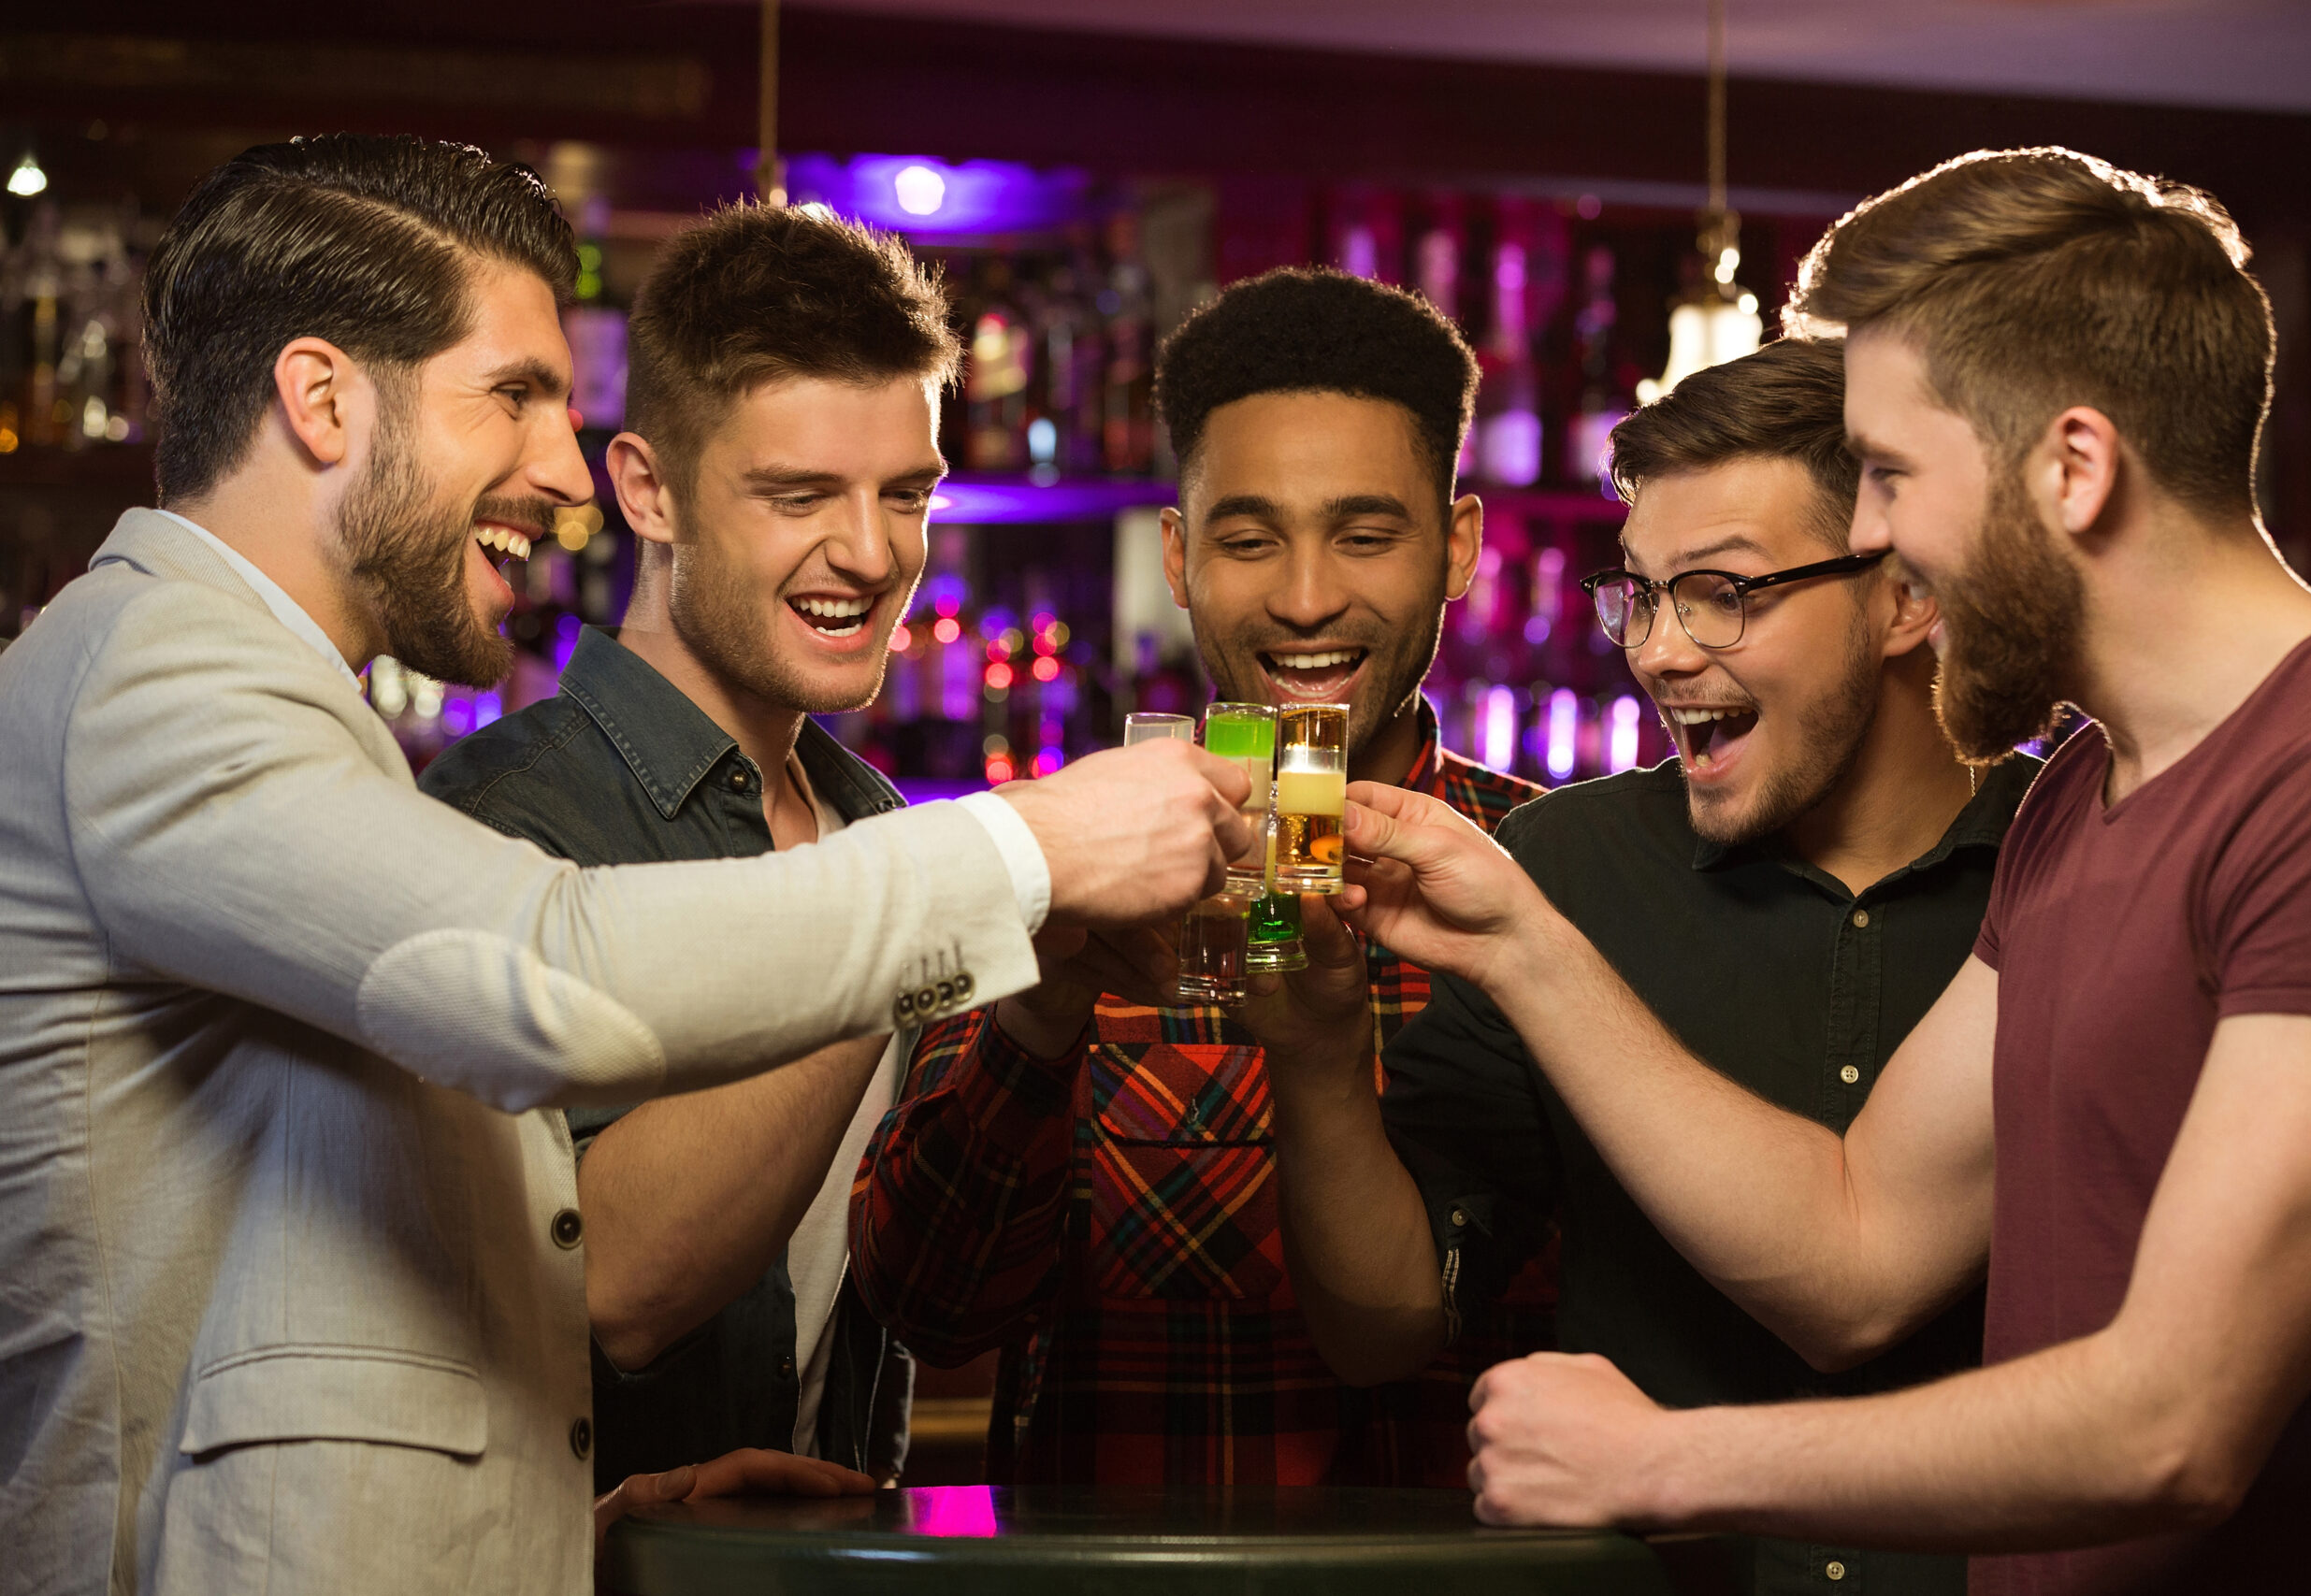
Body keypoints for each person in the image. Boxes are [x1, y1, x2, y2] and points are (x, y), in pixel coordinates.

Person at [0, 135, 1247, 1596]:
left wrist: (575, 1528)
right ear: (325, 399)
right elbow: (547, 981)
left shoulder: (265, 704)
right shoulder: (154, 673)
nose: (559, 470)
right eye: (517, 395)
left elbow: (355, 1315)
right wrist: (1028, 846)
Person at [1312, 148, 2311, 1593]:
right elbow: (1860, 1255)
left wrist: (1664, 1462)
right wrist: (1522, 939)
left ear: (2072, 467)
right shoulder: (2090, 788)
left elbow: (2173, 1425)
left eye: (1888, 474)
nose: (1874, 538)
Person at [1245, 335, 2021, 1596]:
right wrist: (1319, 1059)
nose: (1657, 650)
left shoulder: (2076, 864)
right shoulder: (1569, 860)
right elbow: (1387, 1326)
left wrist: (1534, 958)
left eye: (1724, 593)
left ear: (1907, 595)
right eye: (1642, 595)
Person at [848, 267, 1552, 1487]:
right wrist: (1043, 1002)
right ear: (1178, 555)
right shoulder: (1067, 844)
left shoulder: (1552, 875)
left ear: (1460, 548)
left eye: (1366, 533)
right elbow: (929, 1307)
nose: (1306, 596)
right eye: (1248, 537)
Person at [422, 203, 961, 1493]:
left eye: (907, 494)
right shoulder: (510, 822)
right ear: (648, 490)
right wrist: (927, 903)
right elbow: (618, 1284)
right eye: (800, 495)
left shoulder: (872, 821)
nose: (874, 555)